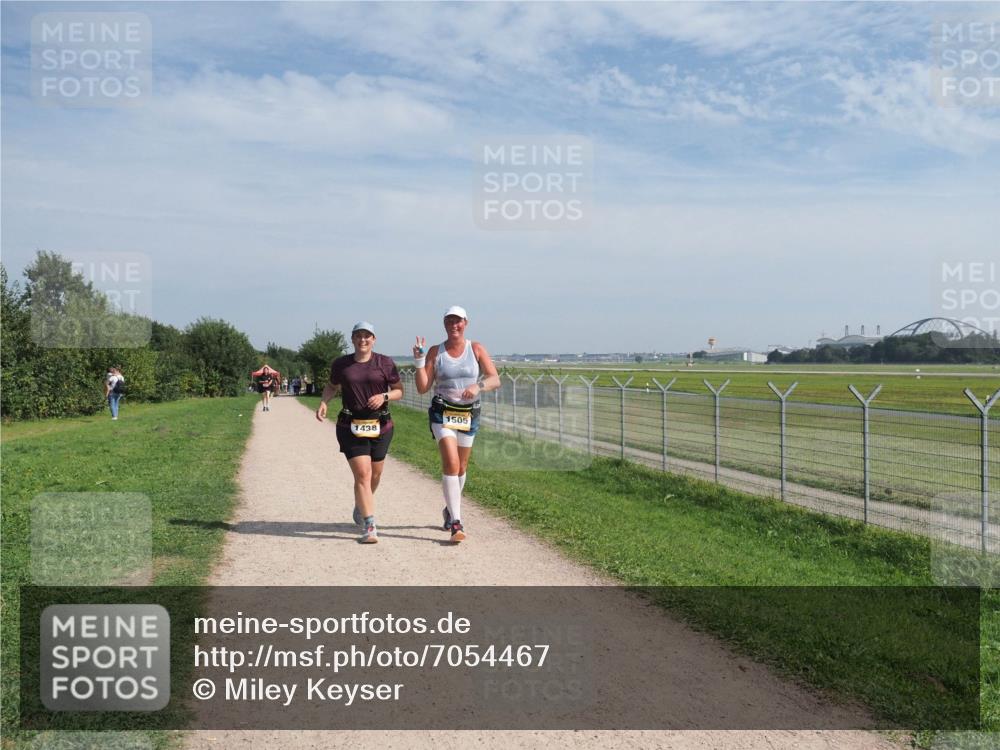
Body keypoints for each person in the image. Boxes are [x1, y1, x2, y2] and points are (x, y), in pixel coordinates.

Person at [413, 306, 500, 543]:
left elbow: (495, 378)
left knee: (461, 467)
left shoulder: (476, 349)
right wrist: (420, 361)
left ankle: (450, 509)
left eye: (458, 321)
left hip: (469, 414)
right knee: (451, 463)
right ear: (444, 324)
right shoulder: (436, 351)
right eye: (449, 321)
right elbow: (422, 388)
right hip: (443, 413)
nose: (454, 325)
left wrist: (477, 386)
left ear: (466, 323)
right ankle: (456, 522)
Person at [316, 322, 403, 544]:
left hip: (381, 426)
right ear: (352, 339)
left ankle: (361, 503)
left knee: (375, 474)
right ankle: (370, 524)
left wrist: (384, 397)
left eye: (367, 336)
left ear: (374, 339)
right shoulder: (342, 364)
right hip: (350, 426)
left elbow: (398, 391)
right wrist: (324, 402)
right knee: (363, 474)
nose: (363, 340)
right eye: (358, 336)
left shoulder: (384, 362)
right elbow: (331, 385)